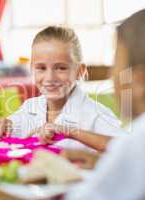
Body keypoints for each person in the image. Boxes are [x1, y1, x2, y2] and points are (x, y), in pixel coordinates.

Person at [0, 26, 123, 152]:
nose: (50, 77)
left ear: (80, 71)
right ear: (32, 70)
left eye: (61, 68)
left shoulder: (96, 114)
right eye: (41, 68)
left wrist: (69, 132)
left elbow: (127, 149)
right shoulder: (30, 108)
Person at [65, 9, 145, 200]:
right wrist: (108, 164)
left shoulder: (138, 140)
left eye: (115, 66)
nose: (111, 77)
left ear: (140, 80)